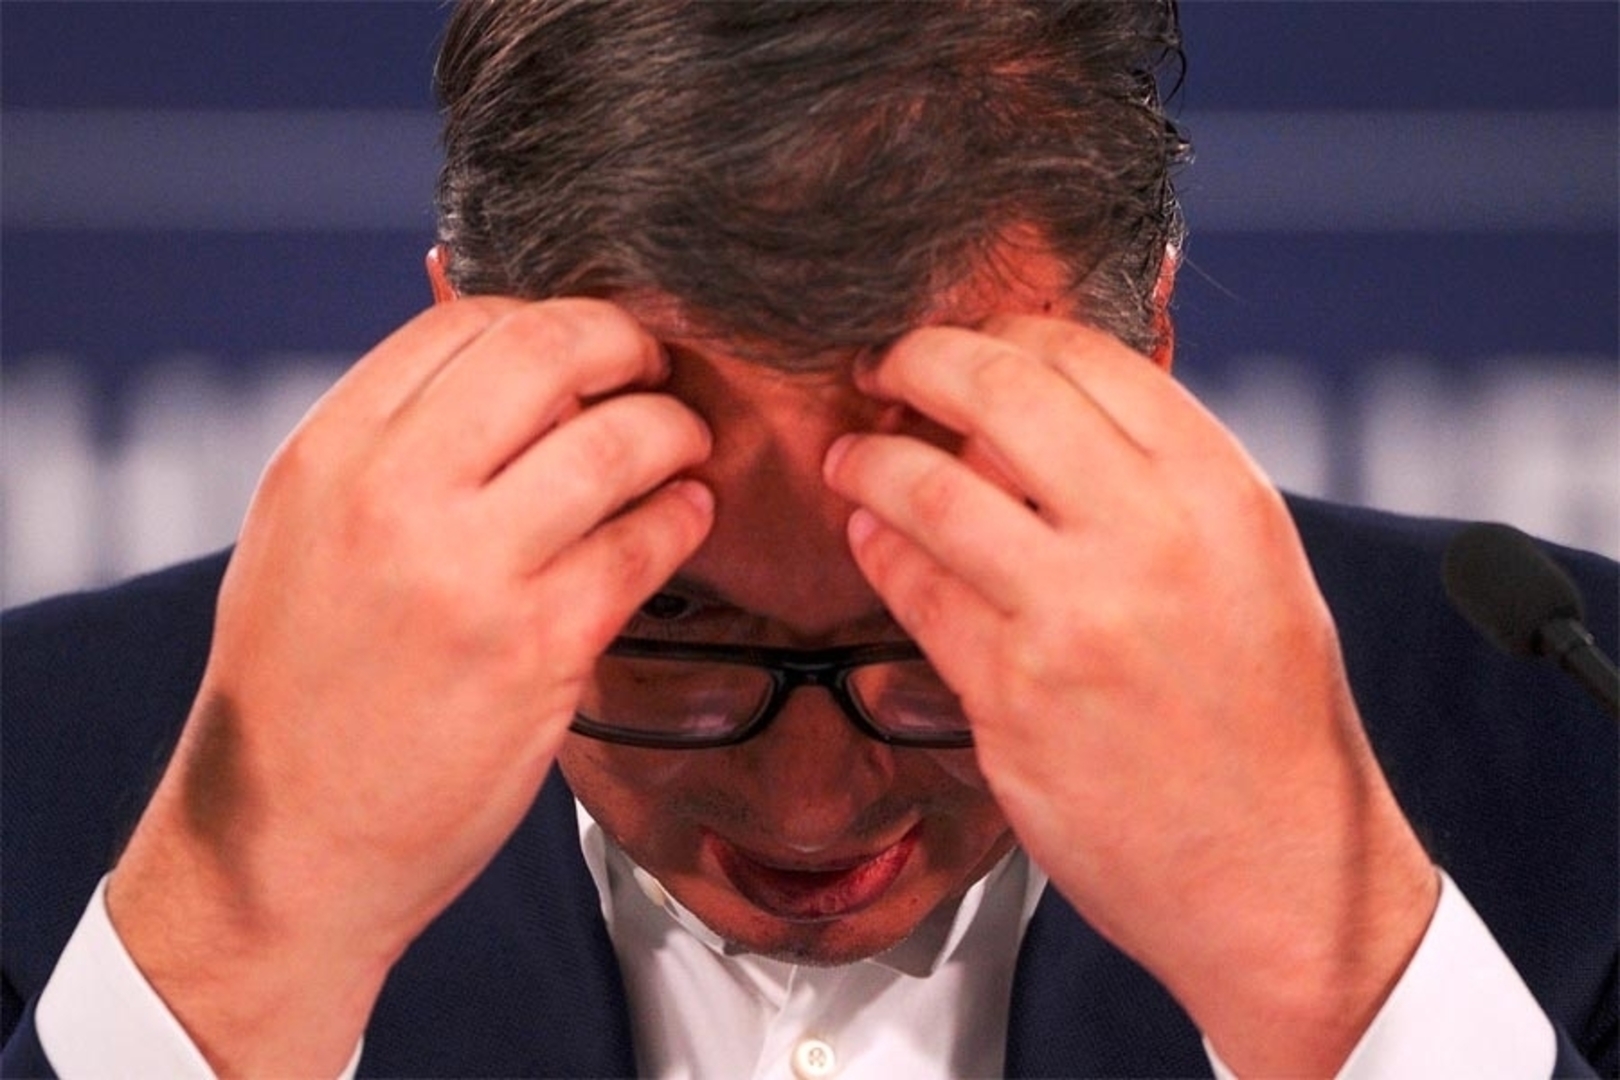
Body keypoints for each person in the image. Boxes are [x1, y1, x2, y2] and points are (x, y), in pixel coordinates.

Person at [3, 2, 1615, 1077]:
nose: (811, 805)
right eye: (670, 622)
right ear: (452, 368)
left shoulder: (1585, 757)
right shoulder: (34, 779)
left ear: (1151, 354)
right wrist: (235, 940)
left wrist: (1337, 963)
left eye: (942, 611)